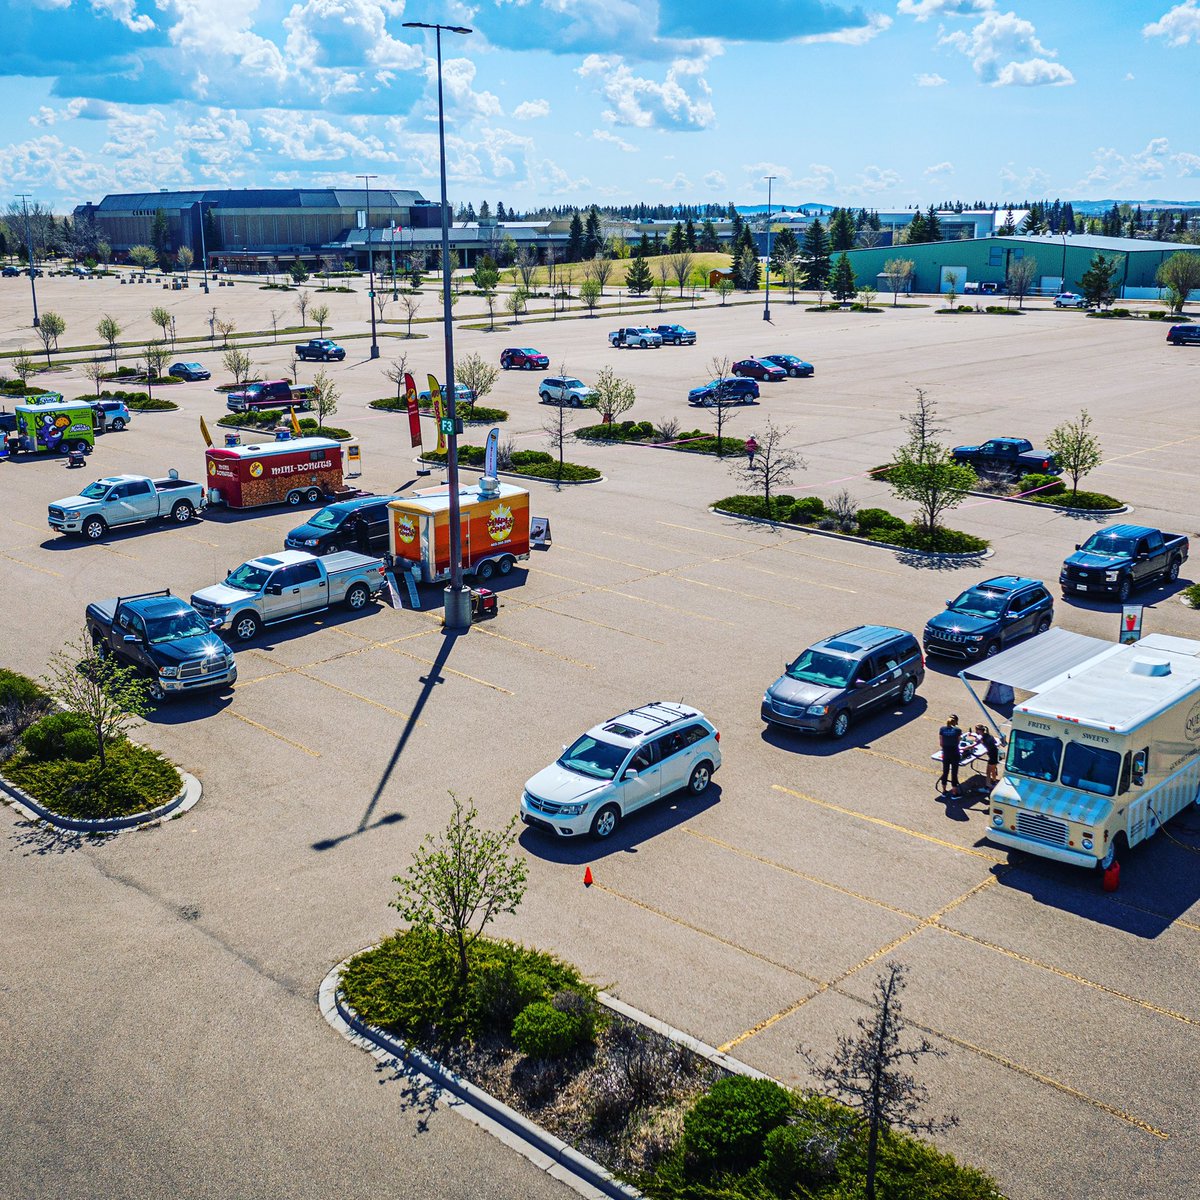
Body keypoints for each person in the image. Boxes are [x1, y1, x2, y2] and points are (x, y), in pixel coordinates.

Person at [938, 714, 961, 793]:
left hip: (946, 753)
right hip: (954, 753)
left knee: (945, 772)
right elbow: (958, 742)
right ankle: (954, 792)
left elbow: (941, 743)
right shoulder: (957, 730)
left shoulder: (942, 729)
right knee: (954, 773)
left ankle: (944, 790)